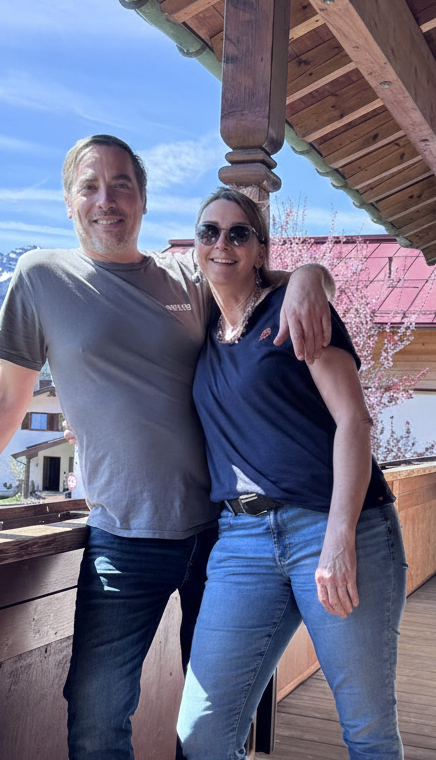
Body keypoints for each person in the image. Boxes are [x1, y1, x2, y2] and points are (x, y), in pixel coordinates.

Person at [0, 137, 334, 760]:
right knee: (97, 716)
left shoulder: (186, 277)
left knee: (219, 717)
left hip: (223, 534)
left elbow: (258, 283)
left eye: (122, 184)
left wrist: (313, 274)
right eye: (90, 186)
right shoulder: (41, 277)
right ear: (69, 201)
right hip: (122, 540)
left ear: (144, 200)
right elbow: (8, 396)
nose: (107, 199)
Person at [177, 187, 408, 760]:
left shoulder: (294, 311)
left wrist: (338, 539)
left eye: (239, 233)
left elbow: (354, 421)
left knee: (367, 731)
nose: (222, 243)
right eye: (210, 232)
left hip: (334, 530)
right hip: (241, 543)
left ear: (261, 250)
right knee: (203, 734)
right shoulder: (202, 332)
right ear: (195, 246)